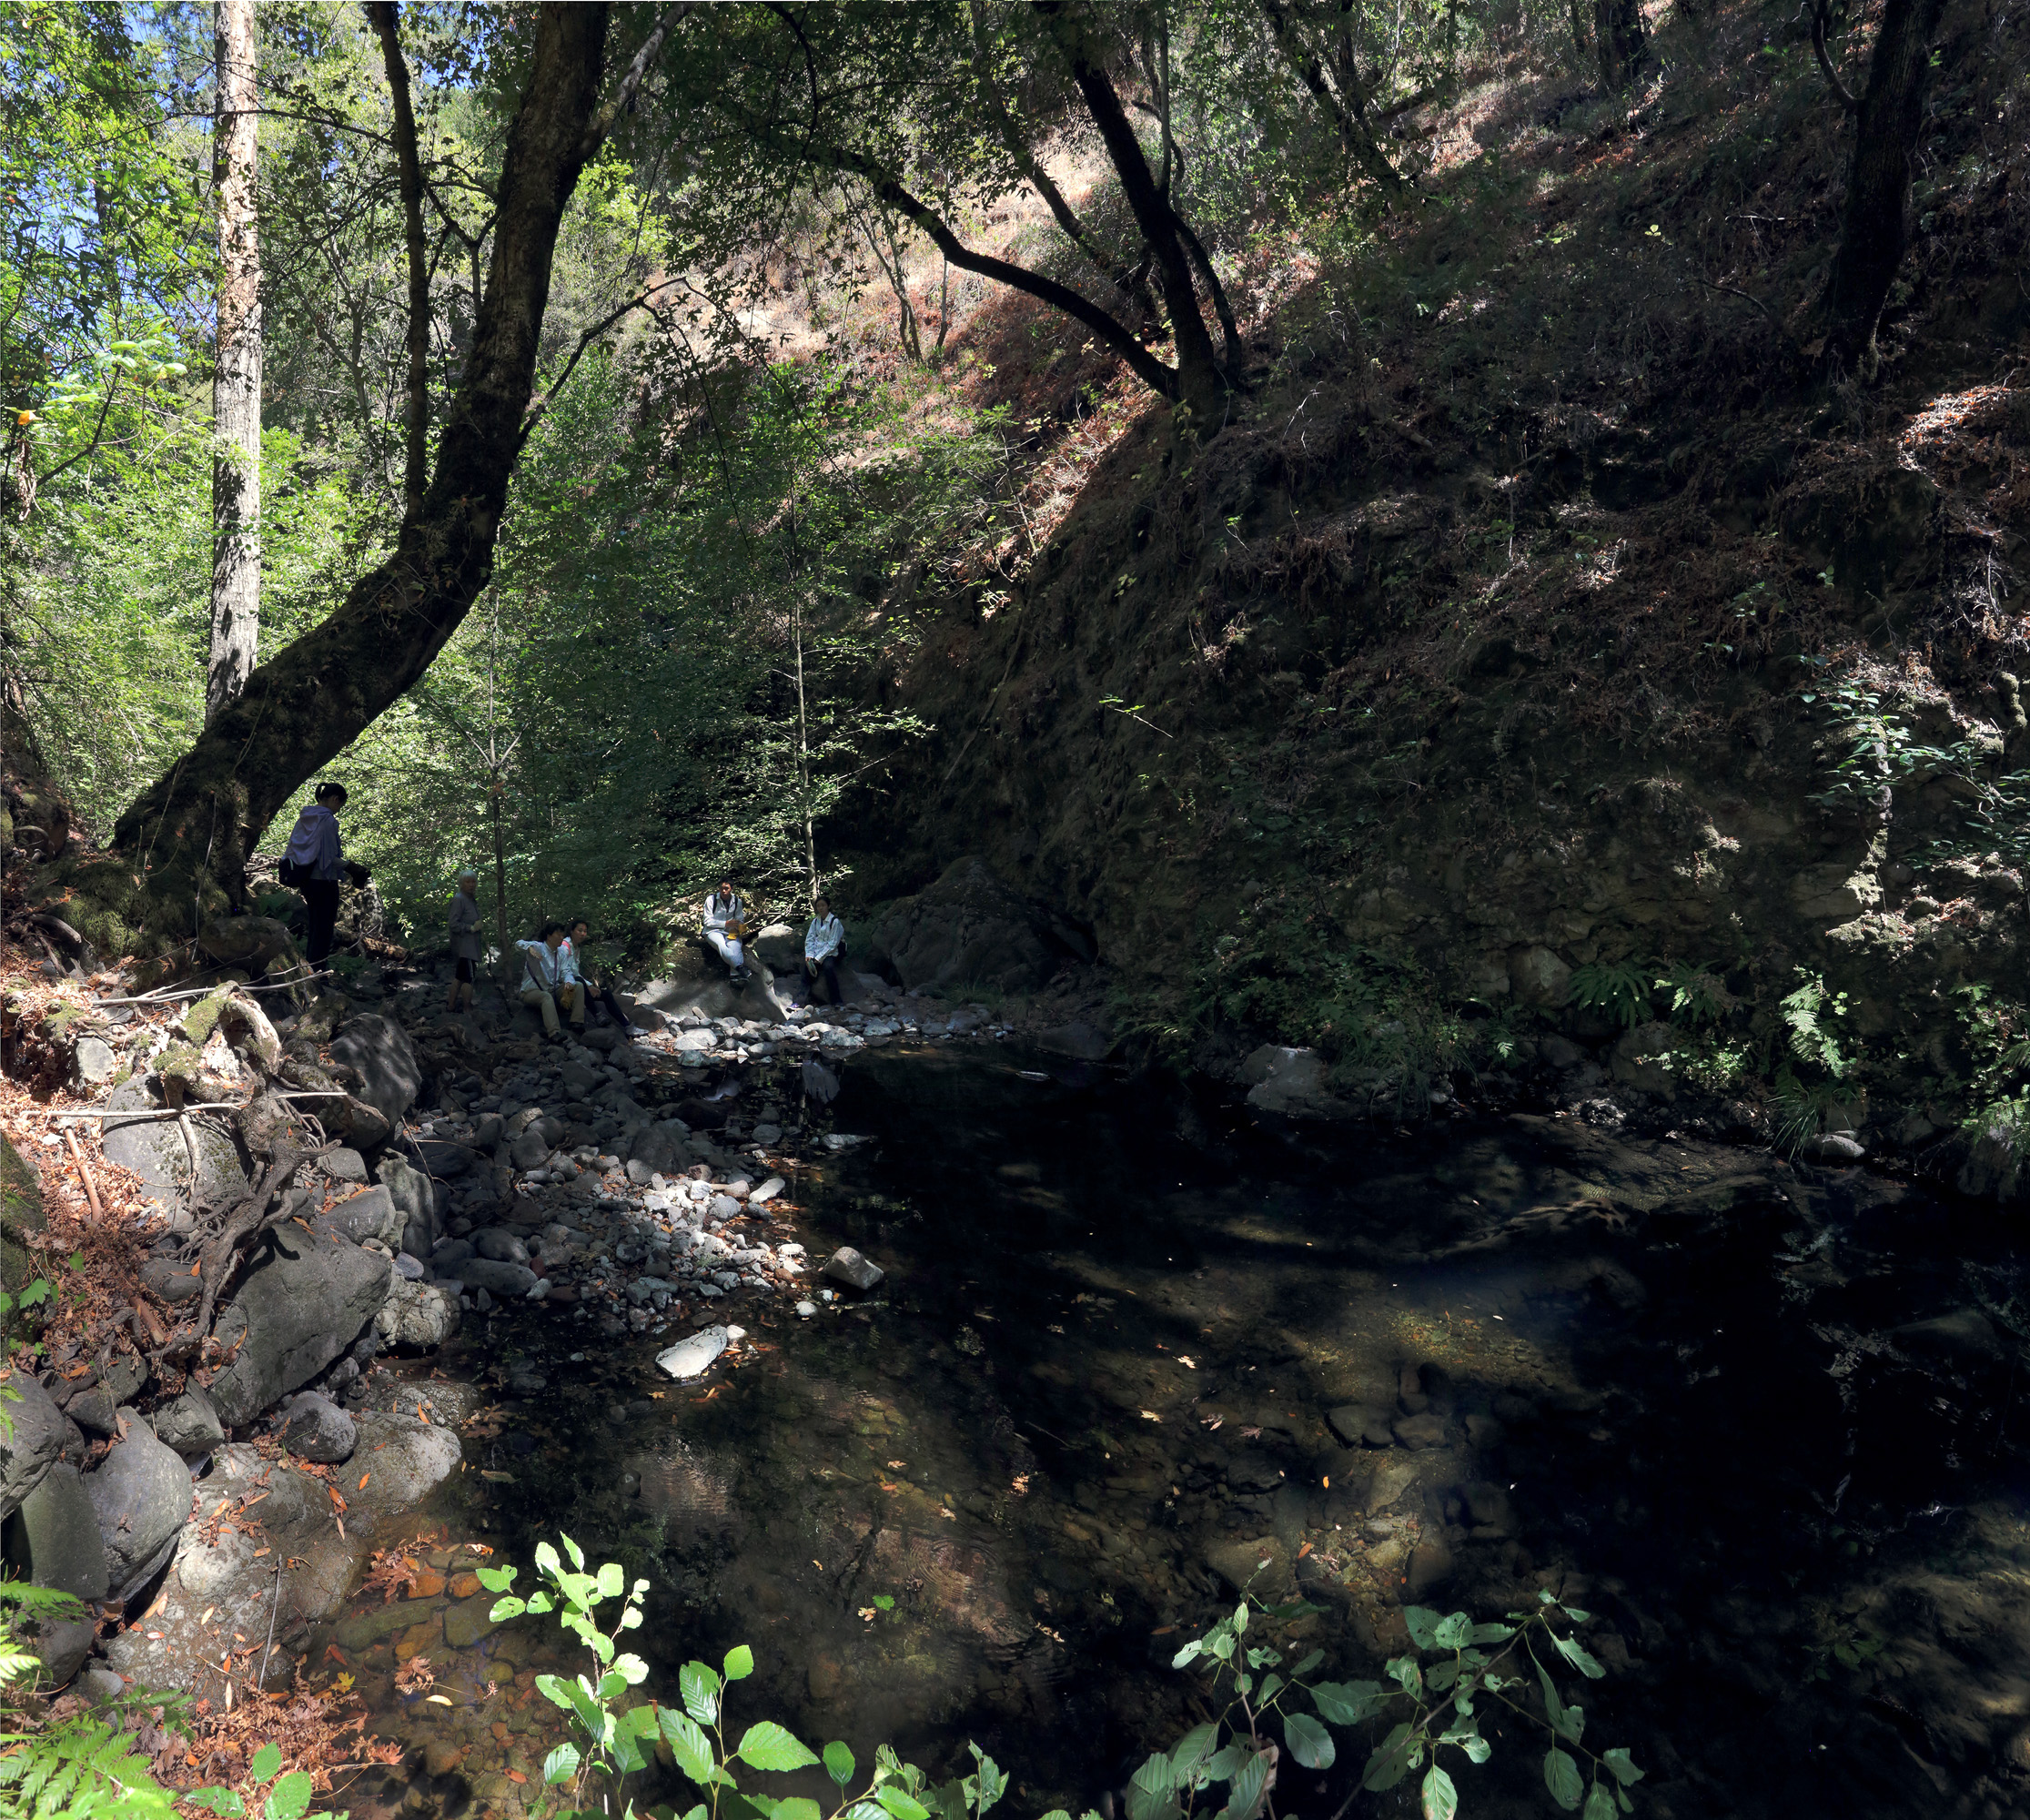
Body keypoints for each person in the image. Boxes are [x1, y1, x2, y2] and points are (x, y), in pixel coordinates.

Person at [280, 781, 368, 966]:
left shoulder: (305, 818)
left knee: (315, 925)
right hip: (323, 881)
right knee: (324, 930)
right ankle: (318, 974)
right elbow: (328, 858)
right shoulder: (327, 820)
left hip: (306, 879)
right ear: (336, 799)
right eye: (340, 805)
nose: (338, 810)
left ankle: (310, 971)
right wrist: (351, 867)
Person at [564, 918, 638, 1029]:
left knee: (606, 994)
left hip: (577, 984)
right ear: (572, 931)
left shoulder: (576, 948)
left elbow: (575, 971)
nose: (583, 934)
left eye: (585, 931)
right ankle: (597, 1014)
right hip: (565, 986)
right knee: (580, 983)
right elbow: (567, 972)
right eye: (580, 930)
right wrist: (588, 987)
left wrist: (589, 986)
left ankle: (627, 1026)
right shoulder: (565, 946)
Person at [517, 919, 583, 1041]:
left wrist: (569, 982)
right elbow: (519, 943)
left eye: (562, 935)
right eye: (558, 934)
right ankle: (554, 1033)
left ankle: (577, 1022)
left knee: (578, 985)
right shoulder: (539, 947)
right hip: (531, 991)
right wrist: (529, 948)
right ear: (549, 935)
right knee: (545, 997)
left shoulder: (561, 953)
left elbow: (566, 971)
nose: (561, 937)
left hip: (552, 989)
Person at [702, 879, 751, 983]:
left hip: (730, 931)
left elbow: (740, 919)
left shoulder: (737, 901)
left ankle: (736, 977)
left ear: (731, 889)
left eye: (726, 888)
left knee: (736, 946)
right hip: (713, 931)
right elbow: (707, 921)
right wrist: (724, 924)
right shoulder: (711, 899)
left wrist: (740, 928)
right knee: (722, 945)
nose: (723, 891)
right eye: (721, 888)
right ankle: (740, 968)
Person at [447, 873, 483, 1013]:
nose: (471, 885)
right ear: (461, 883)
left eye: (473, 882)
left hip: (471, 946)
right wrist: (471, 928)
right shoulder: (459, 899)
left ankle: (451, 1006)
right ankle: (467, 1008)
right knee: (469, 978)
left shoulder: (470, 899)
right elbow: (453, 924)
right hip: (465, 947)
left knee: (460, 976)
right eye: (468, 882)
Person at [803, 895, 846, 1006]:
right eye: (818, 906)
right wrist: (809, 955)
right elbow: (810, 939)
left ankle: (837, 1000)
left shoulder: (834, 921)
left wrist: (819, 958)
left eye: (823, 905)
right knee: (807, 969)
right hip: (817, 952)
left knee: (828, 967)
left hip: (831, 953)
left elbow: (833, 944)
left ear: (828, 906)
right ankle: (800, 1000)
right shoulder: (815, 922)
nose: (821, 908)